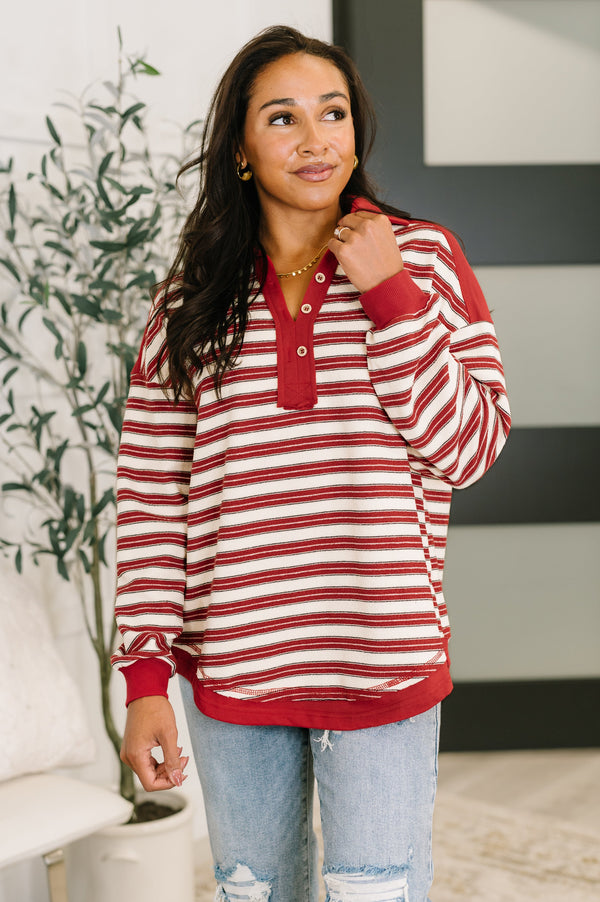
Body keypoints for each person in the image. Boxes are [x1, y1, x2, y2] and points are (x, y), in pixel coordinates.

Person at [113, 24, 510, 902]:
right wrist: (145, 678)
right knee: (254, 894)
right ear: (241, 150)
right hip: (235, 667)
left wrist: (390, 295)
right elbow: (150, 504)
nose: (314, 138)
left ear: (356, 133)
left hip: (382, 659)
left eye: (332, 113)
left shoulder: (423, 260)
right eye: (281, 118)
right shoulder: (188, 303)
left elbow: (472, 448)